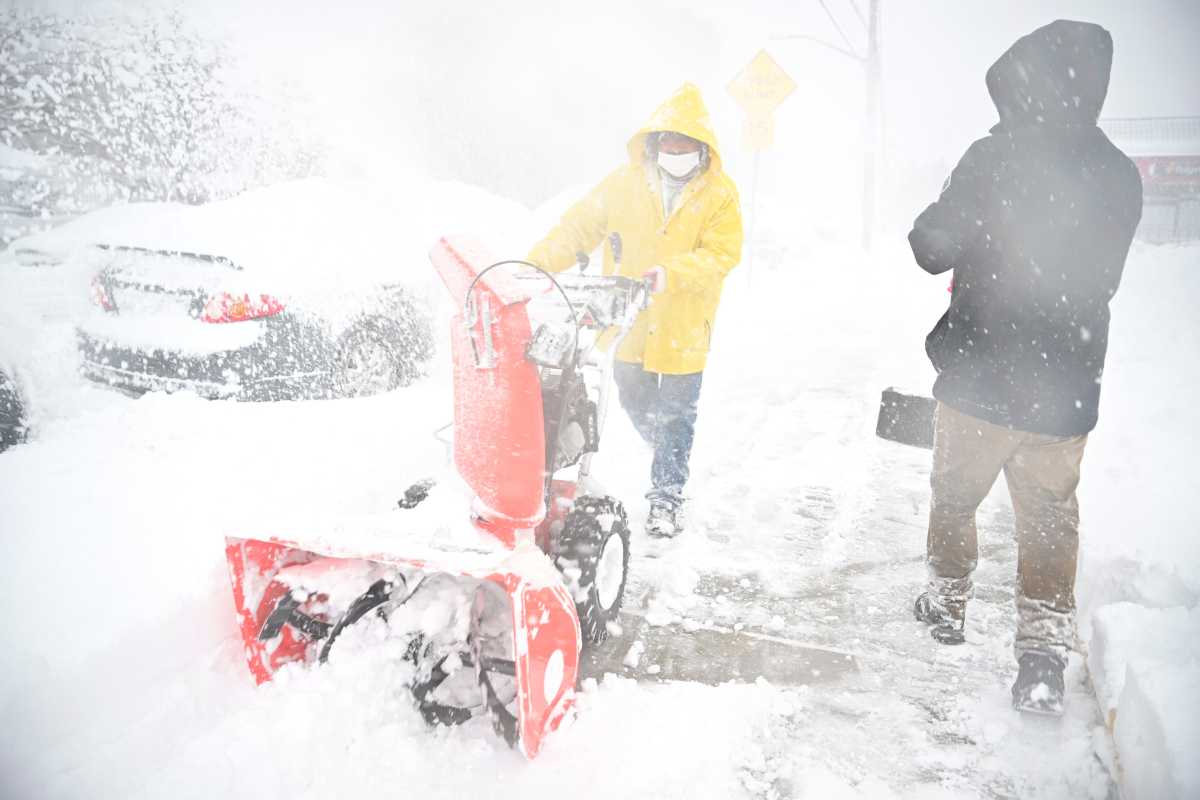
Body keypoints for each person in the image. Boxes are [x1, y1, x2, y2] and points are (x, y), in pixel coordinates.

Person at [908, 19, 1142, 715]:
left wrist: (959, 213)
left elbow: (931, 246)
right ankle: (1040, 658)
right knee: (1048, 521)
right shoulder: (1119, 174)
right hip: (1065, 386)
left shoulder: (992, 159)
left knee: (954, 496)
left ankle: (947, 603)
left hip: (981, 379)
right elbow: (1101, 279)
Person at [527, 83, 743, 537]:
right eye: (668, 142)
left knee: (679, 413)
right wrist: (534, 266)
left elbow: (721, 254)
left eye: (684, 145)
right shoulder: (624, 184)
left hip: (684, 324)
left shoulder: (719, 194)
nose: (674, 151)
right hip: (629, 320)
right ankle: (665, 448)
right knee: (633, 396)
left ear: (701, 149)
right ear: (655, 142)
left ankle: (666, 496)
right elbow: (578, 228)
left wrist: (671, 273)